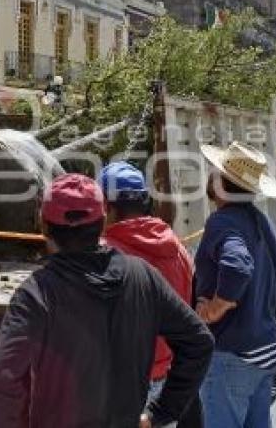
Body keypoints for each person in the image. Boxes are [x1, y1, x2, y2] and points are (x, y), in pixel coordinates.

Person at [0, 174, 214, 428]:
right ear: (103, 221)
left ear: (44, 227)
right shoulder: (142, 276)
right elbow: (199, 342)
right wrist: (159, 413)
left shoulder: (37, 294)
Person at [98, 161, 201, 427]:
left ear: (106, 207)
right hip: (165, 382)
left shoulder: (105, 255)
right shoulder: (177, 248)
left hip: (124, 386)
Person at [195, 142, 276, 428]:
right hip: (265, 348)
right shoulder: (262, 221)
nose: (209, 176)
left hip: (233, 354)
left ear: (222, 184)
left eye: (214, 172)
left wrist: (218, 305)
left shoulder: (222, 222)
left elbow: (237, 265)